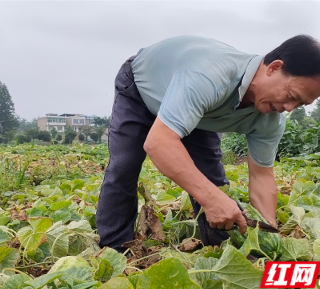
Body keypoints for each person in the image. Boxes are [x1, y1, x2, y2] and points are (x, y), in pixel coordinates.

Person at [96, 35, 320, 253]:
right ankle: (115, 250)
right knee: (125, 165)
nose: (290, 108)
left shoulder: (272, 117)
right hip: (142, 89)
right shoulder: (210, 75)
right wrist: (211, 199)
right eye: (292, 95)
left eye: (300, 104)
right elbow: (159, 143)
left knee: (212, 179)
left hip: (199, 112)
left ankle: (220, 249)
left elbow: (261, 176)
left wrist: (266, 234)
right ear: (273, 68)